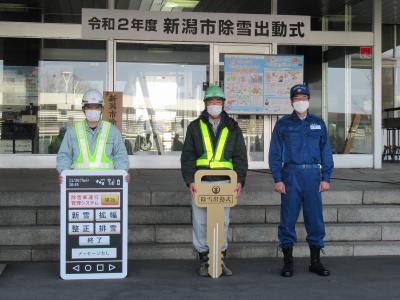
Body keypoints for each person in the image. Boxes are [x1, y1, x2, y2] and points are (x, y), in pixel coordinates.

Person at [181, 85, 248, 277]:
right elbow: (187, 156)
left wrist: (240, 180)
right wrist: (190, 180)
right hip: (201, 183)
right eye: (211, 102)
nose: (215, 105)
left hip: (226, 183)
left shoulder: (233, 127)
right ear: (205, 104)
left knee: (223, 222)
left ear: (223, 104)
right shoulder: (195, 126)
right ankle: (204, 260)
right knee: (201, 222)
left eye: (218, 102)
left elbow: (240, 156)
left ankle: (219, 259)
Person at [268, 84, 334, 277]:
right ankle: (288, 262)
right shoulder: (283, 124)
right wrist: (278, 179)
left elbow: (326, 151)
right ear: (291, 101)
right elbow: (274, 153)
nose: (300, 101)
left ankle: (315, 262)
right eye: (297, 98)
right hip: (291, 176)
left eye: (303, 97)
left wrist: (326, 177)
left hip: (313, 176)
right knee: (287, 219)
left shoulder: (318, 123)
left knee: (315, 219)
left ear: (308, 100)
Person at [57, 89, 130, 182]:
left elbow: (120, 155)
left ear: (102, 109)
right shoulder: (72, 132)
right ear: (83, 109)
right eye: (89, 107)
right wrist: (64, 172)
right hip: (79, 185)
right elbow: (64, 155)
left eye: (96, 107)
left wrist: (123, 173)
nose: (93, 110)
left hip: (106, 185)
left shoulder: (113, 131)